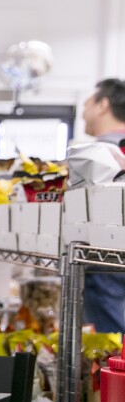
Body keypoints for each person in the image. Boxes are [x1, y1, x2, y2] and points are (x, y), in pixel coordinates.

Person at [81, 78, 125, 333]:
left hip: (101, 259)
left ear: (102, 105)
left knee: (107, 343)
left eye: (87, 104)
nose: (84, 112)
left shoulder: (94, 154)